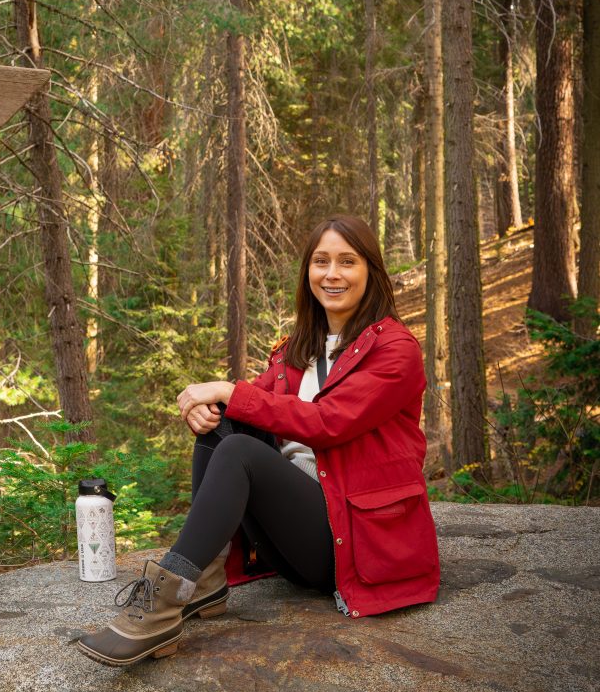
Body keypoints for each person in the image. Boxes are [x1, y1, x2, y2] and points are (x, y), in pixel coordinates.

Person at [76, 215, 439, 667]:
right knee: (224, 429)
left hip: (349, 540)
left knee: (240, 448)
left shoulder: (396, 351)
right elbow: (253, 405)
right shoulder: (300, 349)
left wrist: (228, 391)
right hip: (294, 533)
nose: (332, 274)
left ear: (371, 272)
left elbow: (329, 422)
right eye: (321, 261)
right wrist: (204, 409)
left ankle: (164, 601)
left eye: (347, 262)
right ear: (307, 272)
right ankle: (203, 582)